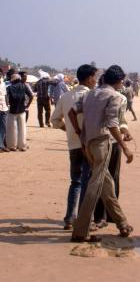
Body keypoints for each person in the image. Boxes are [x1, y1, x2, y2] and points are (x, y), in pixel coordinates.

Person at [71, 65, 134, 243]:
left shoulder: (90, 93)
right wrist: (124, 147)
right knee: (95, 186)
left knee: (106, 185)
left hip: (88, 144)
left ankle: (122, 223)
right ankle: (80, 231)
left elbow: (72, 112)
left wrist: (80, 134)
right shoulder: (114, 96)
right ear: (119, 81)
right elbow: (112, 123)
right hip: (101, 142)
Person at [51, 64, 98, 230]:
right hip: (89, 145)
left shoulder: (65, 96)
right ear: (89, 78)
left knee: (76, 181)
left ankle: (70, 219)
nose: (96, 80)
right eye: (95, 76)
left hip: (73, 145)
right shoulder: (92, 96)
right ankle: (86, 220)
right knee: (89, 182)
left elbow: (55, 120)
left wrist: (68, 130)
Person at [6, 74, 33, 151]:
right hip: (22, 110)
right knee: (22, 129)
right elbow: (31, 96)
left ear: (13, 80)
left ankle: (12, 146)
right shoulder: (24, 86)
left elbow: (6, 98)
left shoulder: (9, 88)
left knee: (12, 129)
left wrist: (7, 105)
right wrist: (27, 106)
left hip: (12, 110)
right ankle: (22, 146)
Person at [0, 70, 7, 152]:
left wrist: (7, 106)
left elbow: (5, 96)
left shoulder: (3, 83)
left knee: (4, 127)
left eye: (1, 74)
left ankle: (2, 145)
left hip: (4, 108)